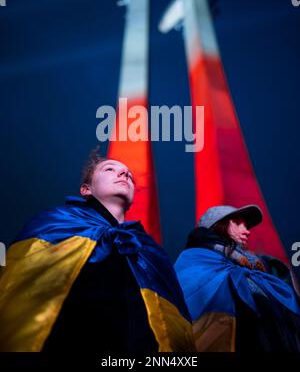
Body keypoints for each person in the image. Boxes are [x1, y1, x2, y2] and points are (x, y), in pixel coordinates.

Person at [0, 150, 193, 353]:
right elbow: (25, 285)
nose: (123, 175)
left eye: (128, 174)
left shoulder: (149, 248)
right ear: (86, 189)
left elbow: (170, 321)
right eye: (110, 169)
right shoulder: (57, 222)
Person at [174, 205, 300, 352]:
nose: (246, 231)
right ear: (218, 225)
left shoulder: (256, 270)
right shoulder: (195, 259)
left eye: (246, 226)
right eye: (237, 223)